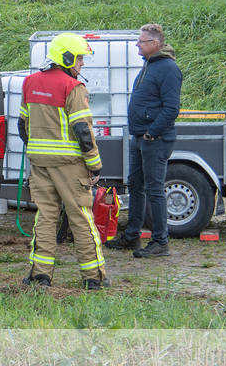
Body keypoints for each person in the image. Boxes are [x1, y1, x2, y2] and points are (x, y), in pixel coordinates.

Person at [18, 33, 109, 290]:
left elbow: (22, 126)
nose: (82, 64)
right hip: (69, 166)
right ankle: (94, 277)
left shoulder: (29, 82)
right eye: (80, 58)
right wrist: (95, 165)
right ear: (66, 57)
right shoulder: (73, 88)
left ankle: (40, 275)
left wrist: (39, 150)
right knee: (81, 218)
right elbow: (82, 130)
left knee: (45, 218)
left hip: (39, 164)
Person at [106, 24, 182, 258]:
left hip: (154, 139)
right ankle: (132, 237)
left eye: (141, 41)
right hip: (140, 137)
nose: (137, 44)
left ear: (155, 44)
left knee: (155, 190)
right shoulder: (150, 65)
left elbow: (172, 108)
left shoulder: (167, 68)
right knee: (136, 187)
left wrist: (151, 132)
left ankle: (160, 242)